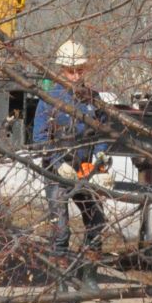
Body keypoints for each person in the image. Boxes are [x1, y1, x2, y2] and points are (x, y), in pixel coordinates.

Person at [33, 39, 110, 265]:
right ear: (62, 69)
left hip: (85, 169)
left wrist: (100, 157)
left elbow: (101, 133)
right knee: (61, 229)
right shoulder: (49, 99)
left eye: (79, 71)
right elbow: (39, 139)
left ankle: (89, 271)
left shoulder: (93, 100)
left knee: (96, 221)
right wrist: (58, 164)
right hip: (57, 172)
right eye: (70, 71)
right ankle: (60, 274)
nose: (75, 76)